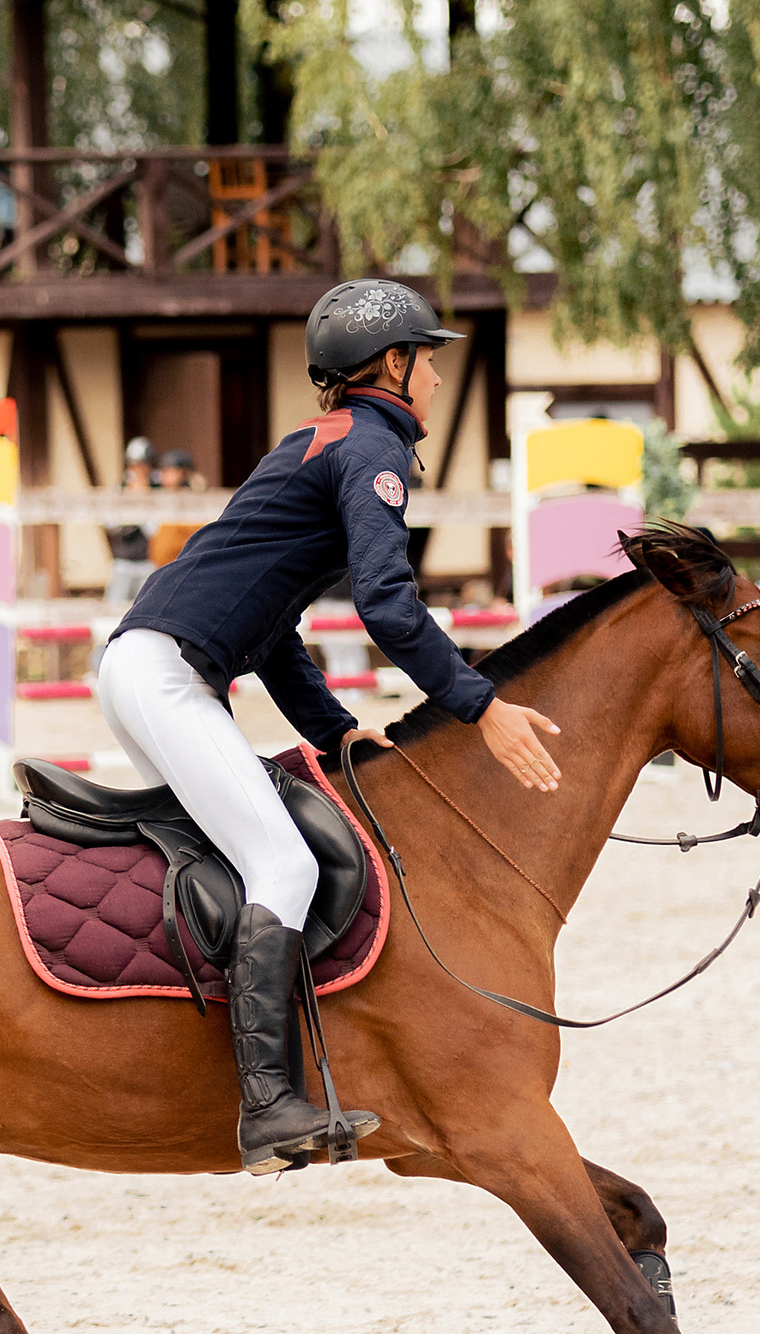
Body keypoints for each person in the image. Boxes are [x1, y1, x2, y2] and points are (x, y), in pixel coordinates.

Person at [103, 278, 562, 1175]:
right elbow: (390, 610)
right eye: (426, 360)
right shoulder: (374, 449)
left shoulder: (320, 441)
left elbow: (272, 629)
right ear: (391, 365)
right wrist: (481, 706)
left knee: (251, 848)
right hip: (166, 675)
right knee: (284, 861)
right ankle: (270, 1105)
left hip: (148, 665)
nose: (434, 379)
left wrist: (337, 731)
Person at [103, 437, 156, 605]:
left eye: (142, 465)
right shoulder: (119, 490)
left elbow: (153, 529)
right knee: (114, 607)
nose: (138, 470)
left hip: (147, 563)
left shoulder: (156, 491)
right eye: (134, 465)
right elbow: (110, 524)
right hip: (123, 562)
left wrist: (143, 499)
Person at [147, 448, 203, 569]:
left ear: (184, 473)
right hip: (159, 567)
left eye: (169, 472)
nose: (164, 476)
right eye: (163, 472)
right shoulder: (162, 498)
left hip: (182, 567)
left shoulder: (194, 501)